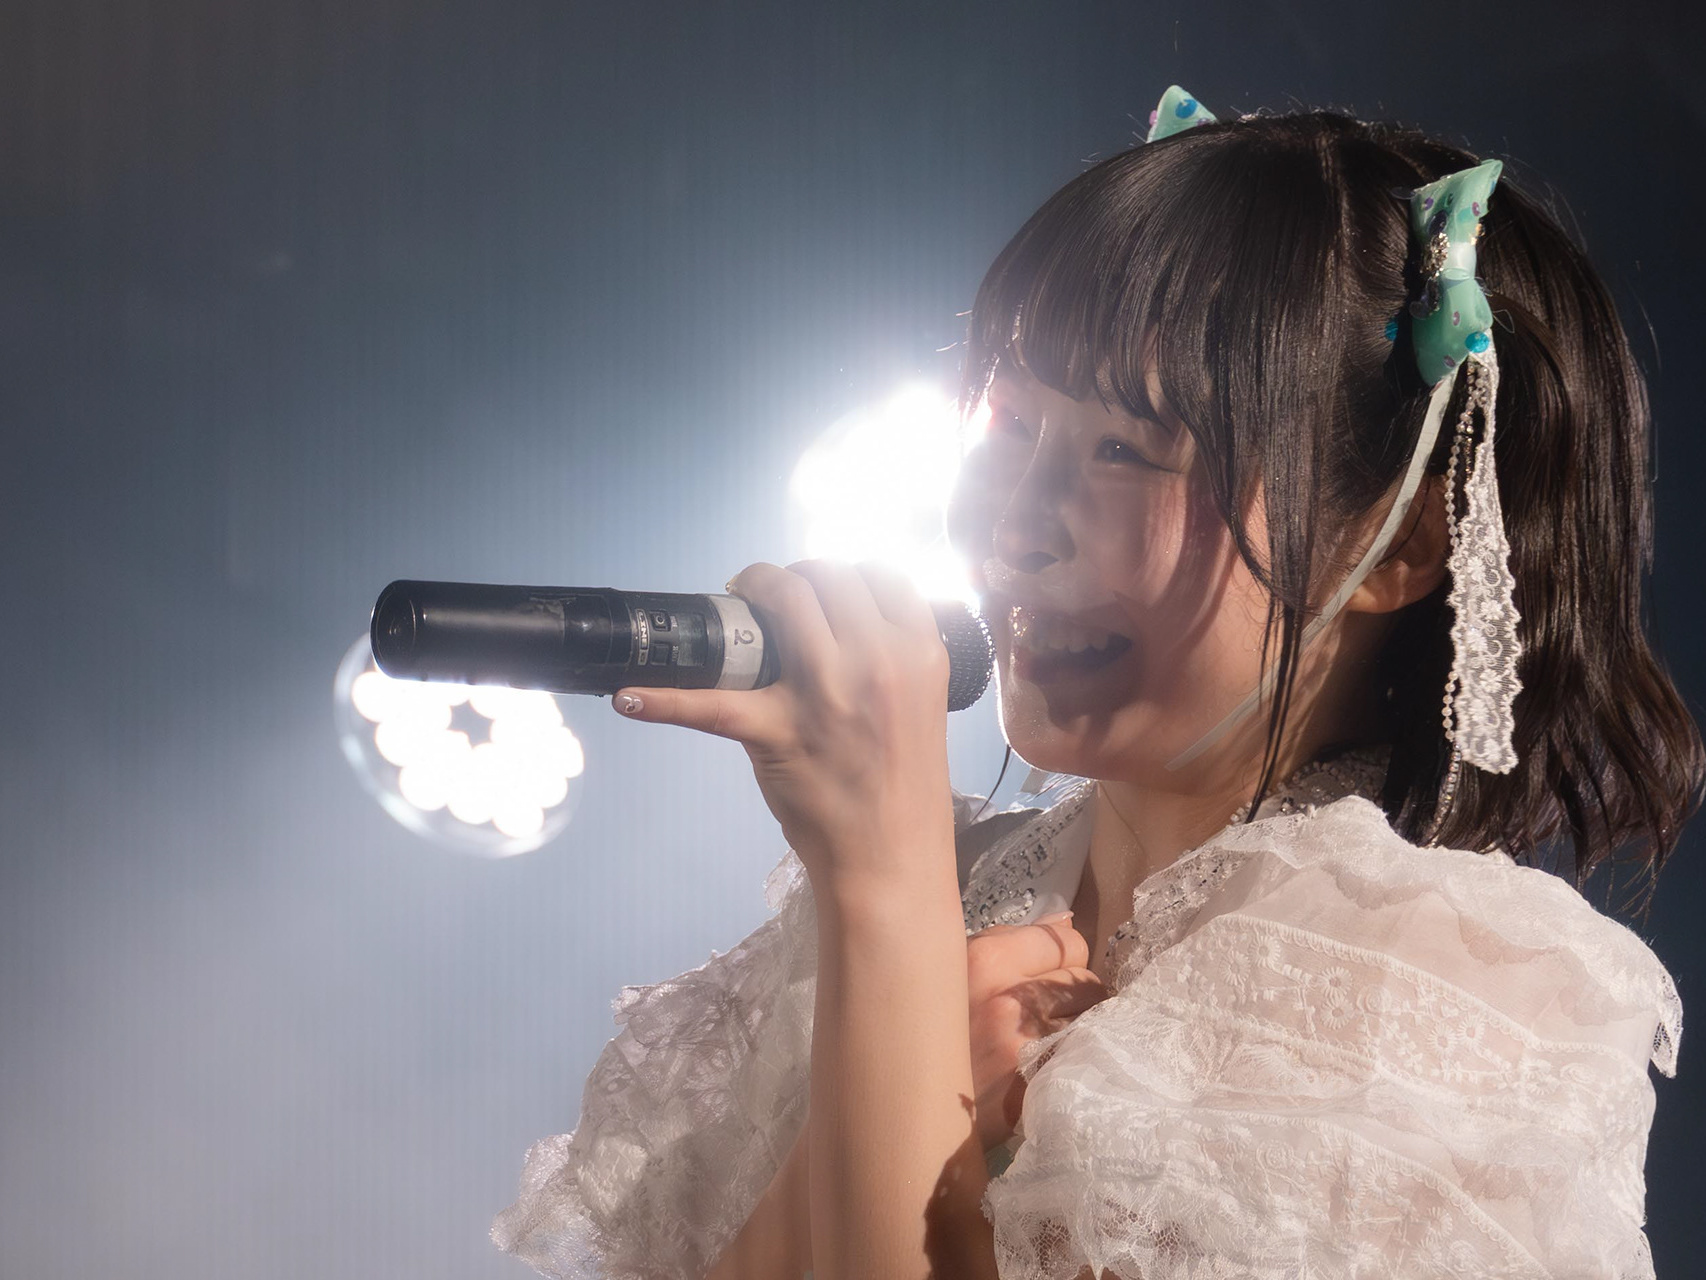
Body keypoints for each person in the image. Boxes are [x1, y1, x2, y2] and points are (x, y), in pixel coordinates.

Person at [490, 89, 1703, 1279]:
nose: (1013, 524)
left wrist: (883, 889)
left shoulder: (1448, 982)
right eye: (1010, 425)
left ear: (1392, 544)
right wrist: (906, 1028)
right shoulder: (944, 888)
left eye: (1125, 447)